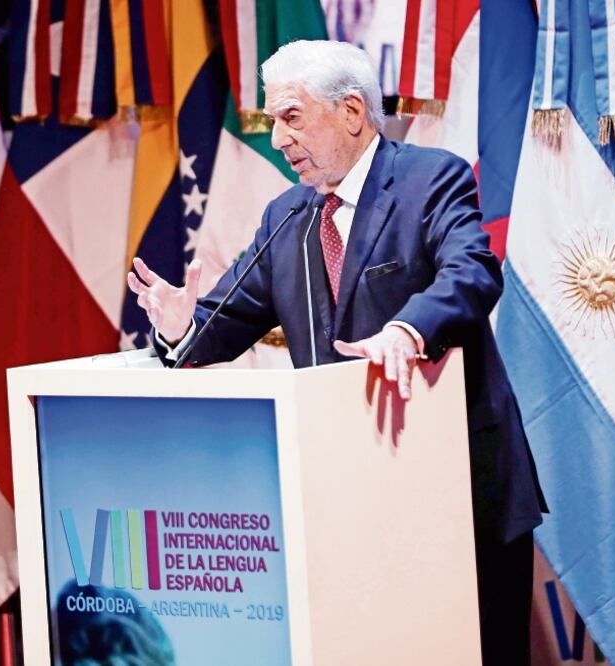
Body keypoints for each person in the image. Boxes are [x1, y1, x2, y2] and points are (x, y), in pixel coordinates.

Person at [126, 40, 545, 664]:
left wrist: (408, 331)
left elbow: (473, 271)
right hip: (343, 500)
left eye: (291, 117)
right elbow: (224, 322)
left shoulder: (431, 179)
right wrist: (182, 326)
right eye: (272, 121)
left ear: (352, 112)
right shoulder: (286, 215)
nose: (277, 137)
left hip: (456, 491)